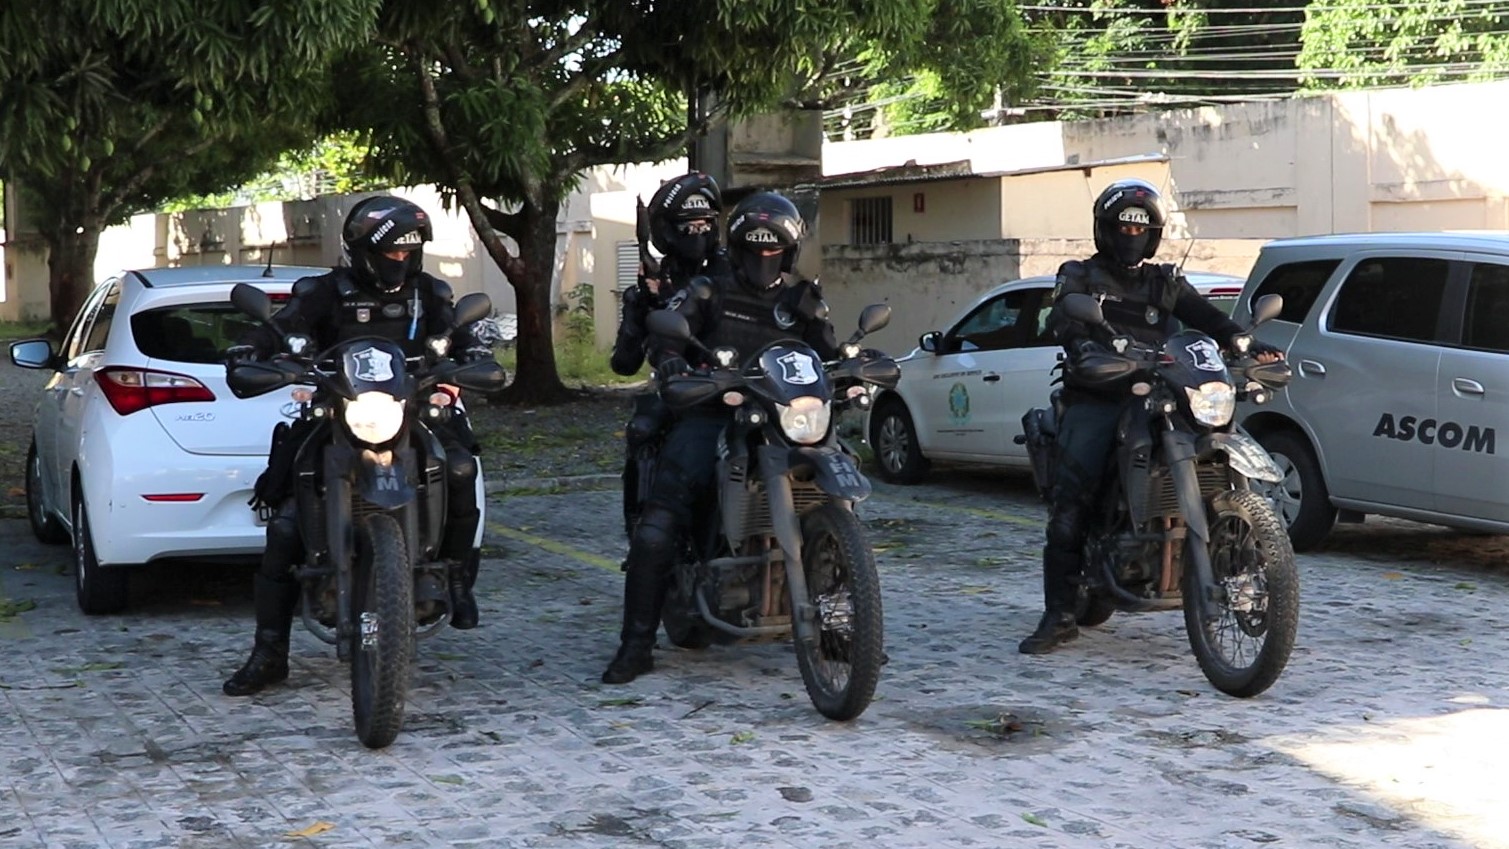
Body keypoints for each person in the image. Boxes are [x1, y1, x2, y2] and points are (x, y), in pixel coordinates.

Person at [223, 195, 493, 696]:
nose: (401, 260)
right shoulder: (322, 292)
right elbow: (279, 329)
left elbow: (461, 336)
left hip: (412, 409)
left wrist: (472, 355)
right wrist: (249, 350)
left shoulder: (429, 293)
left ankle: (455, 577)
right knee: (284, 524)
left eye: (409, 251)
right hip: (337, 411)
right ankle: (269, 652)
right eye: (391, 252)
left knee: (459, 469)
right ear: (363, 250)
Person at [1019, 178, 1285, 655]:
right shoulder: (1079, 275)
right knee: (1072, 501)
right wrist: (1083, 346)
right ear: (1106, 229)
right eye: (1123, 227)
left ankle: (1238, 565)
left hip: (1160, 393)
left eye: (1140, 229)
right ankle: (1059, 615)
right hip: (1099, 394)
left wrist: (1243, 342)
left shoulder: (1164, 281)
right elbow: (1065, 319)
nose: (1132, 236)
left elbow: (1208, 318)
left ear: (1153, 234)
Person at [601, 189, 839, 684]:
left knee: (835, 503)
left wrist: (854, 368)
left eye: (774, 249)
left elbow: (828, 354)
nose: (764, 258)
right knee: (659, 524)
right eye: (755, 248)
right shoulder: (709, 291)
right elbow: (668, 334)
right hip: (714, 410)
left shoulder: (801, 300)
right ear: (739, 248)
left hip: (784, 419)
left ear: (788, 252)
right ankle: (636, 644)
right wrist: (671, 360)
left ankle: (840, 624)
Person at [610, 172, 730, 537]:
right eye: (688, 225)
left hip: (742, 383)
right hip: (683, 388)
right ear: (666, 230)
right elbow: (624, 363)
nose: (698, 232)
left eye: (704, 223)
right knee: (644, 428)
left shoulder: (737, 273)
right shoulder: (653, 283)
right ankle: (647, 526)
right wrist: (643, 306)